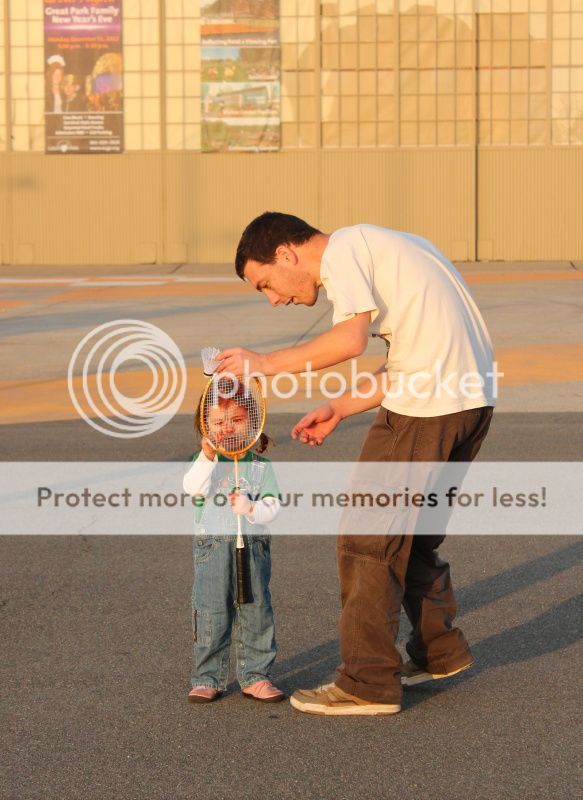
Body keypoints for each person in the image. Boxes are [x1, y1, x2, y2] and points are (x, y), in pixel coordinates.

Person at [217, 212, 496, 716]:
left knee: (367, 543)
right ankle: (439, 651)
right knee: (411, 537)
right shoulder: (395, 245)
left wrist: (266, 363)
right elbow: (416, 357)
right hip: (469, 405)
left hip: (426, 409)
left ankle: (367, 684)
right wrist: (341, 407)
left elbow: (350, 341)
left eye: (265, 284)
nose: (273, 299)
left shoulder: (344, 250)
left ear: (285, 254)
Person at [183, 392, 284, 704]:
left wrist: (252, 508)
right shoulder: (205, 463)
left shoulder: (260, 466)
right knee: (211, 611)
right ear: (205, 427)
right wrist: (207, 456)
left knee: (256, 612)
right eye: (217, 423)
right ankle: (207, 677)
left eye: (237, 420)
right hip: (212, 549)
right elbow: (192, 488)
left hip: (252, 549)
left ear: (253, 423)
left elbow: (273, 506)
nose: (226, 427)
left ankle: (256, 676)